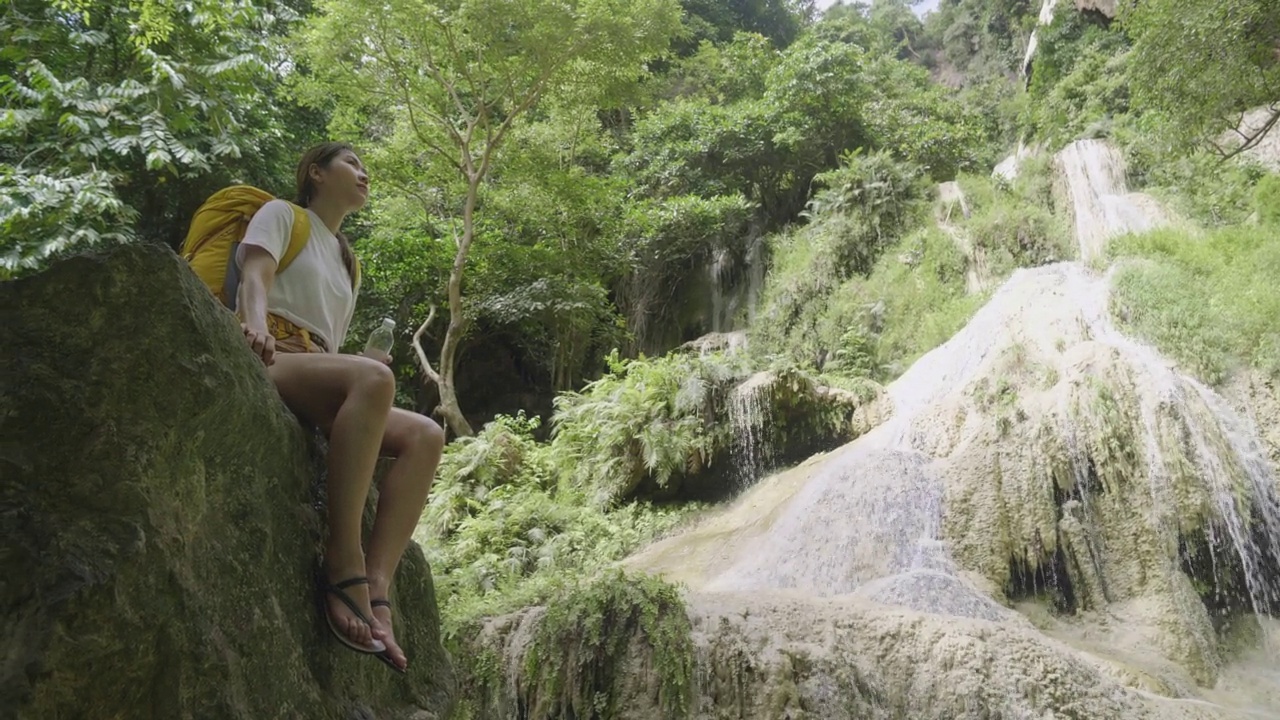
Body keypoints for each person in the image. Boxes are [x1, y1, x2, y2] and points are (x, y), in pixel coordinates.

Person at [235, 141, 444, 673]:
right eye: (352, 163)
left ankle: (377, 587)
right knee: (374, 378)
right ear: (316, 174)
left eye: (366, 167)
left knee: (426, 436)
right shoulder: (283, 215)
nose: (364, 173)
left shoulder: (349, 261)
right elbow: (255, 274)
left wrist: (366, 364)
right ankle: (343, 559)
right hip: (270, 356)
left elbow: (328, 345)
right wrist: (254, 326)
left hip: (315, 371)